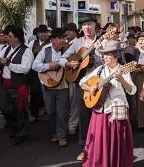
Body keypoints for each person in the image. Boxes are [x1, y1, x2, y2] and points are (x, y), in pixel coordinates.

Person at [80, 40, 136, 167]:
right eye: (104, 55)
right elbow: (82, 82)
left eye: (108, 55)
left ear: (116, 56)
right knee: (100, 141)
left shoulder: (123, 69)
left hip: (116, 109)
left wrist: (122, 80)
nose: (105, 57)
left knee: (116, 141)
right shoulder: (100, 69)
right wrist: (90, 88)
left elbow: (132, 90)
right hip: (100, 109)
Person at [59, 17, 103, 161]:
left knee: (99, 115)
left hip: (99, 82)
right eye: (84, 25)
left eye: (89, 24)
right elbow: (62, 58)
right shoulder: (77, 43)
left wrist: (100, 52)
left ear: (95, 26)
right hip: (81, 83)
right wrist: (68, 64)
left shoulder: (102, 41)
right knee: (83, 116)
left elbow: (111, 61)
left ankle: (101, 146)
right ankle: (85, 147)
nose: (87, 28)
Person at [0, 26, 35, 145]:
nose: (8, 38)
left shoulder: (26, 51)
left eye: (10, 36)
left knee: (20, 111)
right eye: (7, 36)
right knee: (4, 108)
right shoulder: (6, 48)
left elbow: (25, 69)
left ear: (17, 38)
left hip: (18, 85)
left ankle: (20, 133)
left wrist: (9, 64)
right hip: (4, 84)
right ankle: (15, 127)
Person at [32, 29, 70, 146]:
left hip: (63, 85)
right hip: (47, 84)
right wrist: (48, 65)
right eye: (59, 38)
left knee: (62, 112)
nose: (62, 41)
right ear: (52, 40)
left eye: (63, 38)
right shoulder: (45, 50)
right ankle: (54, 134)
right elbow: (35, 65)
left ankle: (61, 135)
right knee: (50, 111)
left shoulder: (68, 50)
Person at [27, 25, 52, 122]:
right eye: (41, 32)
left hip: (47, 71)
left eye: (45, 32)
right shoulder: (32, 43)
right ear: (37, 34)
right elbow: (28, 55)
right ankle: (34, 113)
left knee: (46, 91)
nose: (43, 34)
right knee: (34, 93)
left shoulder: (50, 43)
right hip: (34, 72)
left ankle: (47, 111)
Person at [63, 23, 80, 135]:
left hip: (75, 76)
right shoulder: (64, 44)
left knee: (74, 101)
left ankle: (72, 125)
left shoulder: (79, 44)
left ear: (75, 32)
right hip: (64, 76)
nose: (67, 33)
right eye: (66, 31)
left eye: (69, 31)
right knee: (67, 101)